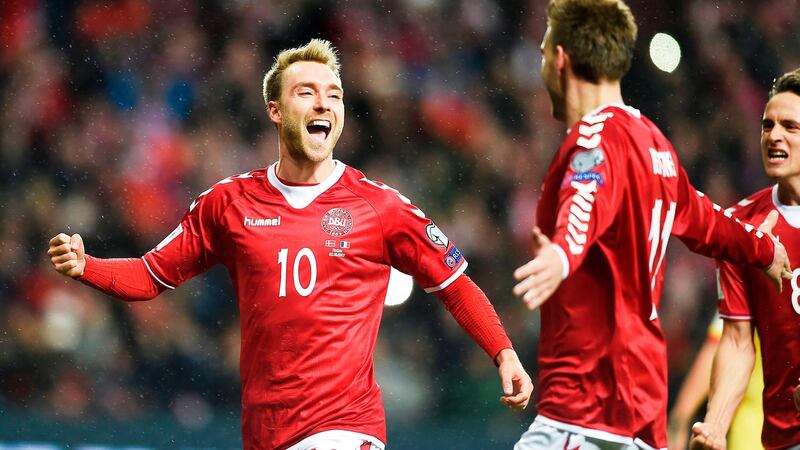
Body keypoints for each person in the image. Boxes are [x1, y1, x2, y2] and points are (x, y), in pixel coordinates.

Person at [47, 39, 533, 450]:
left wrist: (504, 353)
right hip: (265, 434)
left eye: (334, 95)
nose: (324, 104)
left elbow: (454, 285)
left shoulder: (381, 207)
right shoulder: (227, 203)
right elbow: (151, 276)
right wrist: (87, 266)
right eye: (306, 92)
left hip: (347, 430)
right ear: (275, 111)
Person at [509, 1, 791, 448]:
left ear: (561, 58)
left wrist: (561, 255)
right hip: (641, 408)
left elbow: (585, 201)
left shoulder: (594, 138)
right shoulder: (654, 143)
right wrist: (763, 248)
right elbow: (707, 221)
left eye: (544, 53)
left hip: (586, 407)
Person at [690, 68, 800, 450]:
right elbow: (737, 342)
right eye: (768, 125)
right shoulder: (741, 227)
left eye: (790, 126)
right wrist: (715, 425)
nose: (773, 136)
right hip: (784, 438)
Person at [667, 313, 763, 450]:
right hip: (755, 430)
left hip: (754, 430)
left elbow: (722, 345)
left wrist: (679, 419)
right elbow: (731, 343)